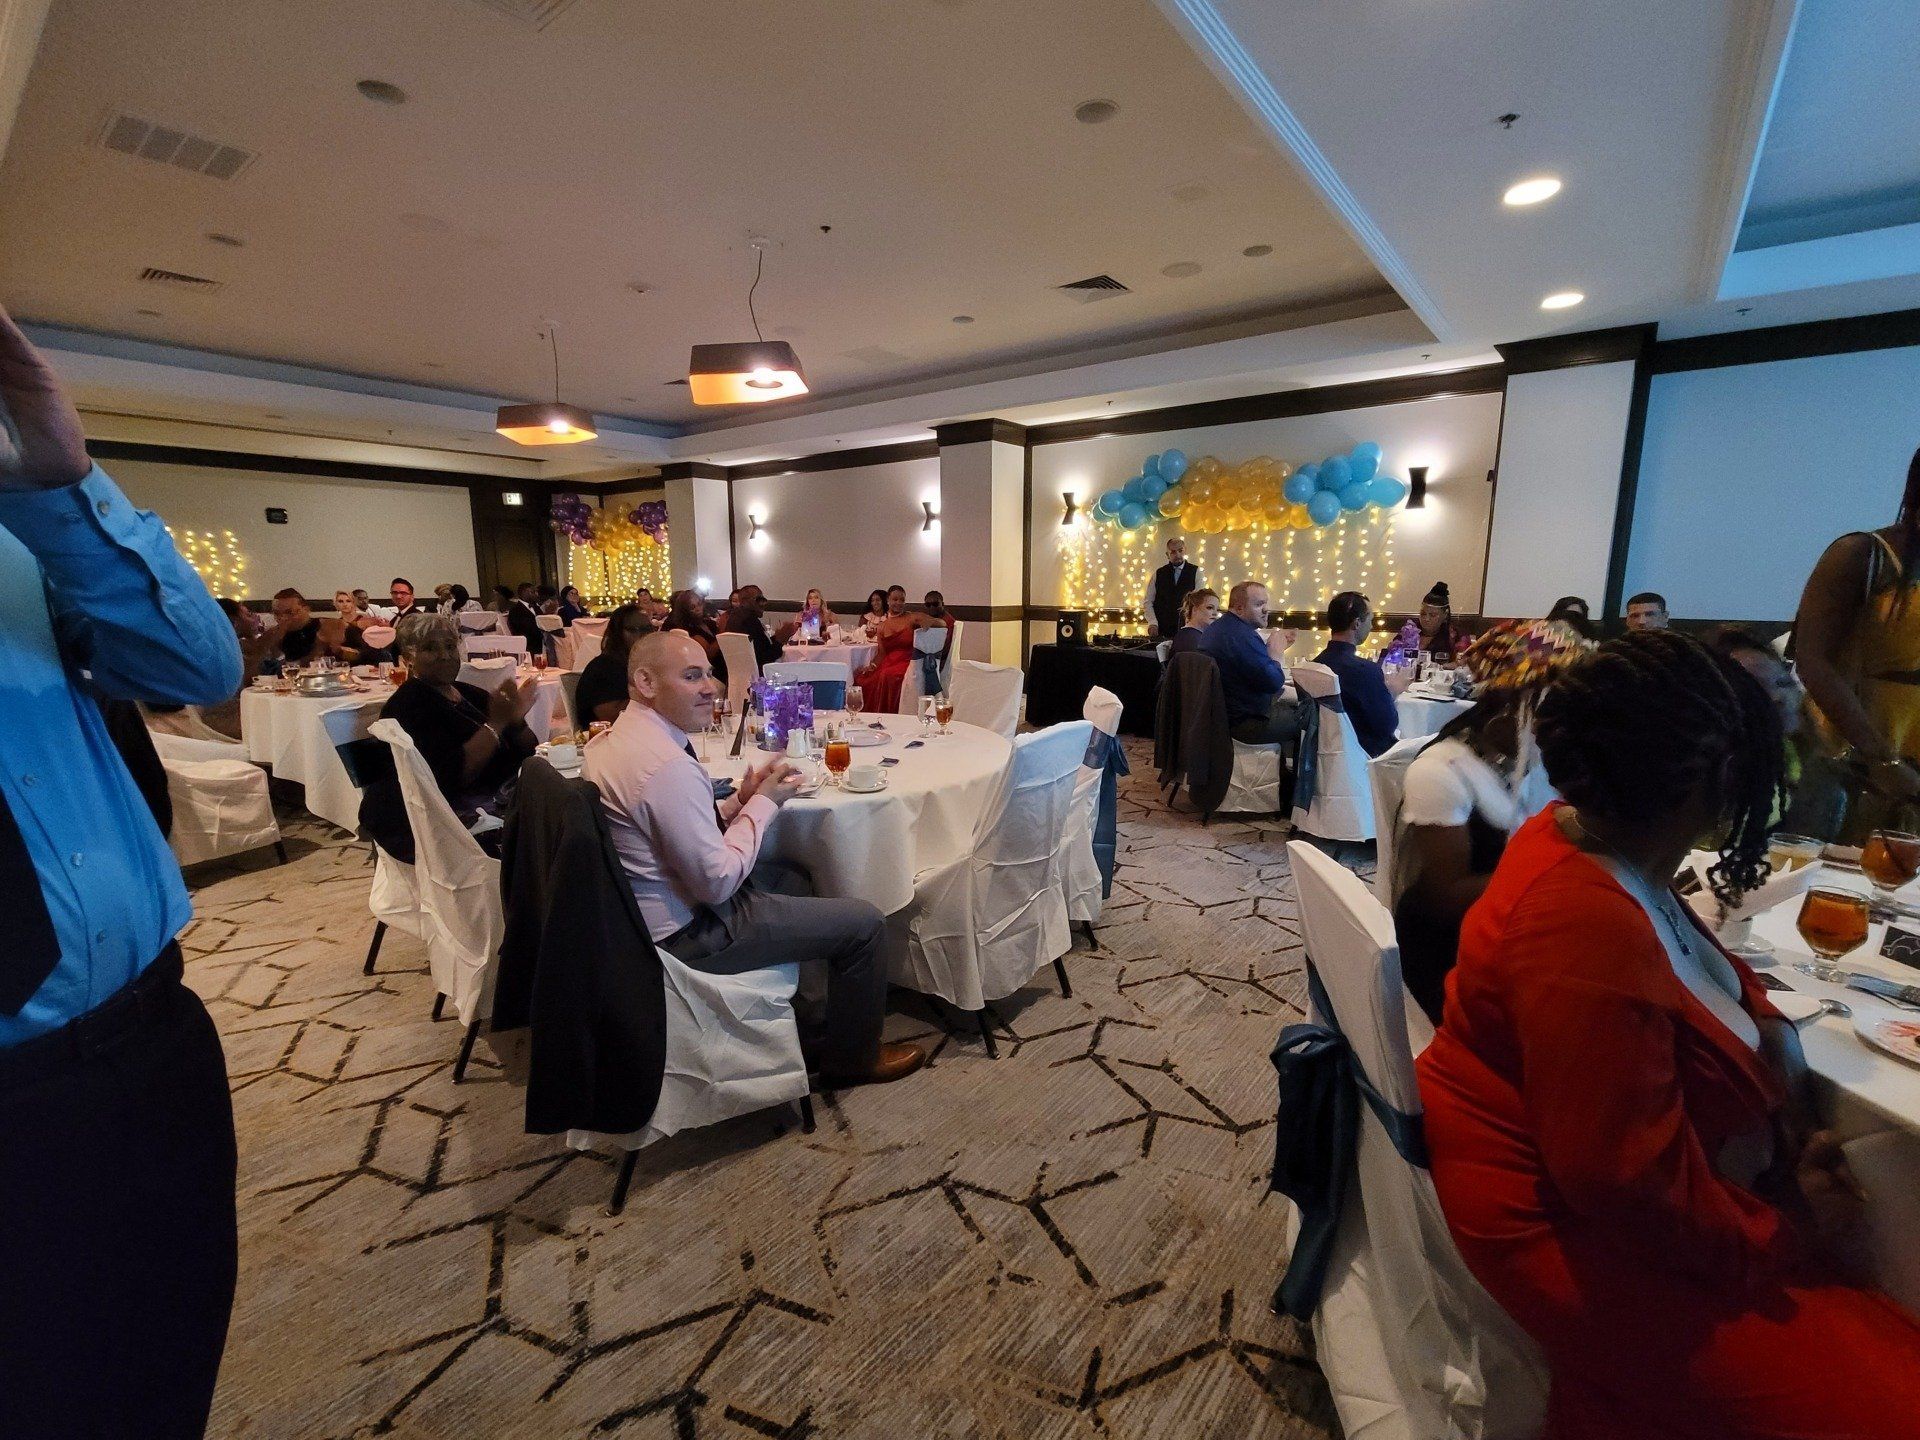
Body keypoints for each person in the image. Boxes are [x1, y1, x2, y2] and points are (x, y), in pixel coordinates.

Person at [1417, 630, 1920, 1438]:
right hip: (1559, 1229)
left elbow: (1698, 953)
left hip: (1608, 1193)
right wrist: (1784, 1231)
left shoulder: (1585, 835)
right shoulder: (1584, 924)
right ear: (1723, 779)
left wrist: (1772, 1034)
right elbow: (1624, 1189)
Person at [0, 303, 243, 1436]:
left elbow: (196, 670)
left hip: (154, 1032)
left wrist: (61, 483)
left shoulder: (26, 531)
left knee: (167, 1364)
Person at [585, 632, 926, 1085]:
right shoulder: (664, 766)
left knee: (792, 875)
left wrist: (739, 802)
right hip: (685, 935)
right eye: (692, 676)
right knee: (865, 924)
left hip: (640, 918)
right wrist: (765, 803)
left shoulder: (619, 740)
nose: (711, 687)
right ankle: (854, 1059)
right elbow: (717, 883)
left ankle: (806, 1024)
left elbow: (671, 830)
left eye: (709, 674)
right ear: (645, 682)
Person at [1390, 619, 1591, 1023]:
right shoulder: (1442, 770)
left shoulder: (1535, 758)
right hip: (1450, 953)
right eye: (1560, 709)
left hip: (1513, 928)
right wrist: (1560, 871)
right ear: (1514, 702)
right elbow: (1443, 897)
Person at [1791, 446, 1920, 842]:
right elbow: (1812, 662)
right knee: (1832, 864)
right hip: (1854, 749)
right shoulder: (1861, 554)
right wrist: (1882, 759)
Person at [359, 612, 539, 862]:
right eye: (430, 648)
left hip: (499, 798)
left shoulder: (470, 693)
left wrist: (516, 720)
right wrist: (497, 723)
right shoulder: (408, 706)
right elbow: (454, 776)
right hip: (448, 819)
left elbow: (529, 750)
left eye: (450, 646)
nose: (444, 655)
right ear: (408, 658)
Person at [1198, 581, 1299, 744]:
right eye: (1259, 604)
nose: (1266, 609)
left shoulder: (1219, 628)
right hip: (1246, 724)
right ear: (1239, 608)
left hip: (1219, 718)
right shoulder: (1241, 636)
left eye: (1266, 603)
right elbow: (1273, 683)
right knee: (1312, 716)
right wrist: (1276, 655)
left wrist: (1271, 650)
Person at [1312, 591, 1406, 758]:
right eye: (1370, 620)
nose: (1371, 626)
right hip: (1363, 756)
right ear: (1356, 624)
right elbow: (1387, 726)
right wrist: (1393, 692)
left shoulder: (1315, 664)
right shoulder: (1364, 671)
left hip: (1320, 752)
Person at [854, 584, 938, 714]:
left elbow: (941, 623)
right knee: (862, 679)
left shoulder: (912, 617)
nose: (898, 603)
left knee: (889, 675)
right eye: (895, 599)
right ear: (888, 600)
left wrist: (930, 622)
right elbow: (881, 653)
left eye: (902, 600)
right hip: (888, 662)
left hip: (908, 661)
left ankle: (893, 714)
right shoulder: (881, 626)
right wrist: (872, 666)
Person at [573, 602, 654, 725]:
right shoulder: (605, 667)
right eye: (634, 630)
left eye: (648, 629)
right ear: (618, 633)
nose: (644, 635)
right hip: (607, 734)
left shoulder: (640, 663)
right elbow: (611, 717)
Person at [723, 583, 798, 672]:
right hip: (757, 674)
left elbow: (761, 646)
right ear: (745, 601)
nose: (763, 603)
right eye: (759, 600)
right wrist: (780, 640)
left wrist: (776, 637)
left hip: (738, 672)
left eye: (764, 600)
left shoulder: (735, 616)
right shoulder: (749, 621)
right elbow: (765, 658)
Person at [262, 587, 345, 667]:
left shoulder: (331, 626)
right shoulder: (272, 636)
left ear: (306, 609)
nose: (283, 618)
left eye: (289, 612)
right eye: (277, 613)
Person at [1144, 536, 1201, 639]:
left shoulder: (1196, 572)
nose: (1177, 555)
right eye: (1173, 552)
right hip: (1161, 630)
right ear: (1167, 555)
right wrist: (1153, 623)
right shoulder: (1159, 573)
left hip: (1186, 630)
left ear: (1185, 551)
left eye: (1180, 550)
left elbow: (1199, 602)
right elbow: (1148, 602)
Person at [1415, 581, 1467, 660]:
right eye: (1423, 613)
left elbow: (1464, 661)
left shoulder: (1455, 635)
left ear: (1445, 615)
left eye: (1432, 615)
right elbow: (1395, 656)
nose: (1426, 619)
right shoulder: (1410, 631)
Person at [1167, 587, 1218, 657]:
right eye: (1210, 608)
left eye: (1217, 609)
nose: (1215, 613)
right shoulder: (1189, 638)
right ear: (1195, 610)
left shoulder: (1193, 635)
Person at [505, 581, 543, 648]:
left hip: (541, 643)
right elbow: (522, 629)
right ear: (524, 593)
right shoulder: (515, 610)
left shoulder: (536, 607)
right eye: (532, 592)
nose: (536, 594)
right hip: (527, 645)